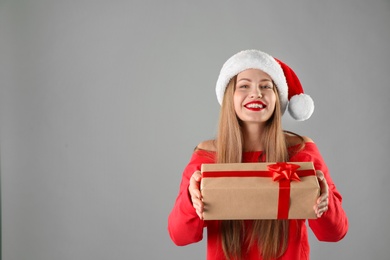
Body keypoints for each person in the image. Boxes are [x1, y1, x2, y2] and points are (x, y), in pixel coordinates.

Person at [168, 50, 348, 260]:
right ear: (229, 96)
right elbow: (180, 236)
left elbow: (334, 233)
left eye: (266, 86)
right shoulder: (207, 157)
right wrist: (192, 199)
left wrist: (324, 201)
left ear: (277, 97)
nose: (256, 93)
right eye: (244, 86)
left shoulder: (301, 152)